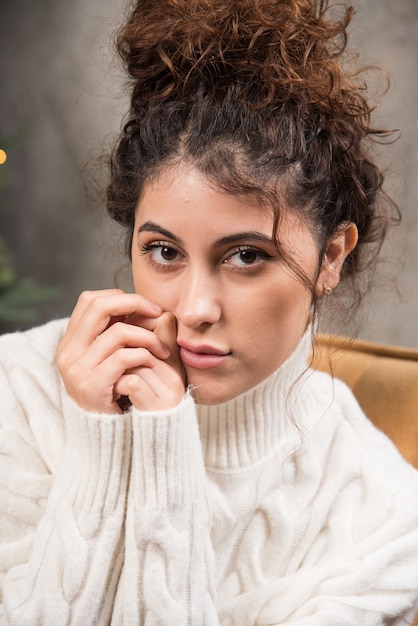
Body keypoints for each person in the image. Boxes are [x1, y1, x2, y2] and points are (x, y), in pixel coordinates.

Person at [1, 0, 418, 623]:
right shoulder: (19, 390)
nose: (192, 309)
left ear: (331, 256)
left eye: (246, 256)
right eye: (163, 251)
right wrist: (98, 440)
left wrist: (164, 449)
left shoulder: (381, 517)